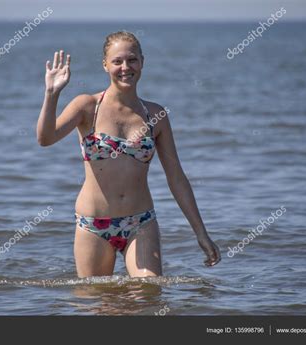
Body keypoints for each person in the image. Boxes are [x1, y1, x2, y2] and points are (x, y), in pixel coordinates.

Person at [37, 31, 221, 278]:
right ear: (105, 65)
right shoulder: (87, 107)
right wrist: (52, 94)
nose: (126, 67)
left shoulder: (155, 116)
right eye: (117, 61)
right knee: (99, 306)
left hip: (141, 223)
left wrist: (201, 232)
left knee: (149, 294)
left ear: (142, 62)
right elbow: (45, 139)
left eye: (132, 60)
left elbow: (176, 178)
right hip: (94, 225)